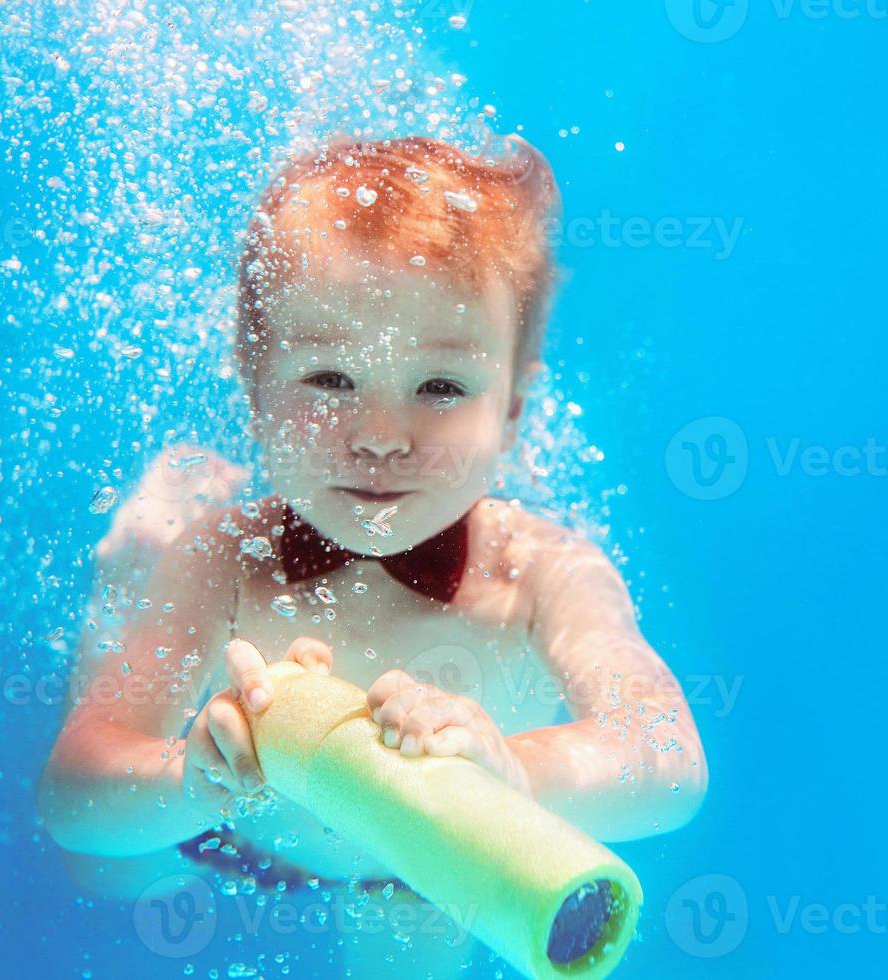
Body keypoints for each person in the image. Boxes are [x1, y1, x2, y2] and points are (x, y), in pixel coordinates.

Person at [39, 135, 707, 974]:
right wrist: (188, 782)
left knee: (417, 939)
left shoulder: (544, 572)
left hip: (418, 868)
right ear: (253, 386)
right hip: (246, 831)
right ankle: (128, 577)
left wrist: (512, 768)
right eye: (327, 379)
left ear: (510, 413)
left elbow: (668, 758)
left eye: (439, 387)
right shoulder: (225, 558)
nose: (381, 437)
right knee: (104, 869)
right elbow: (73, 794)